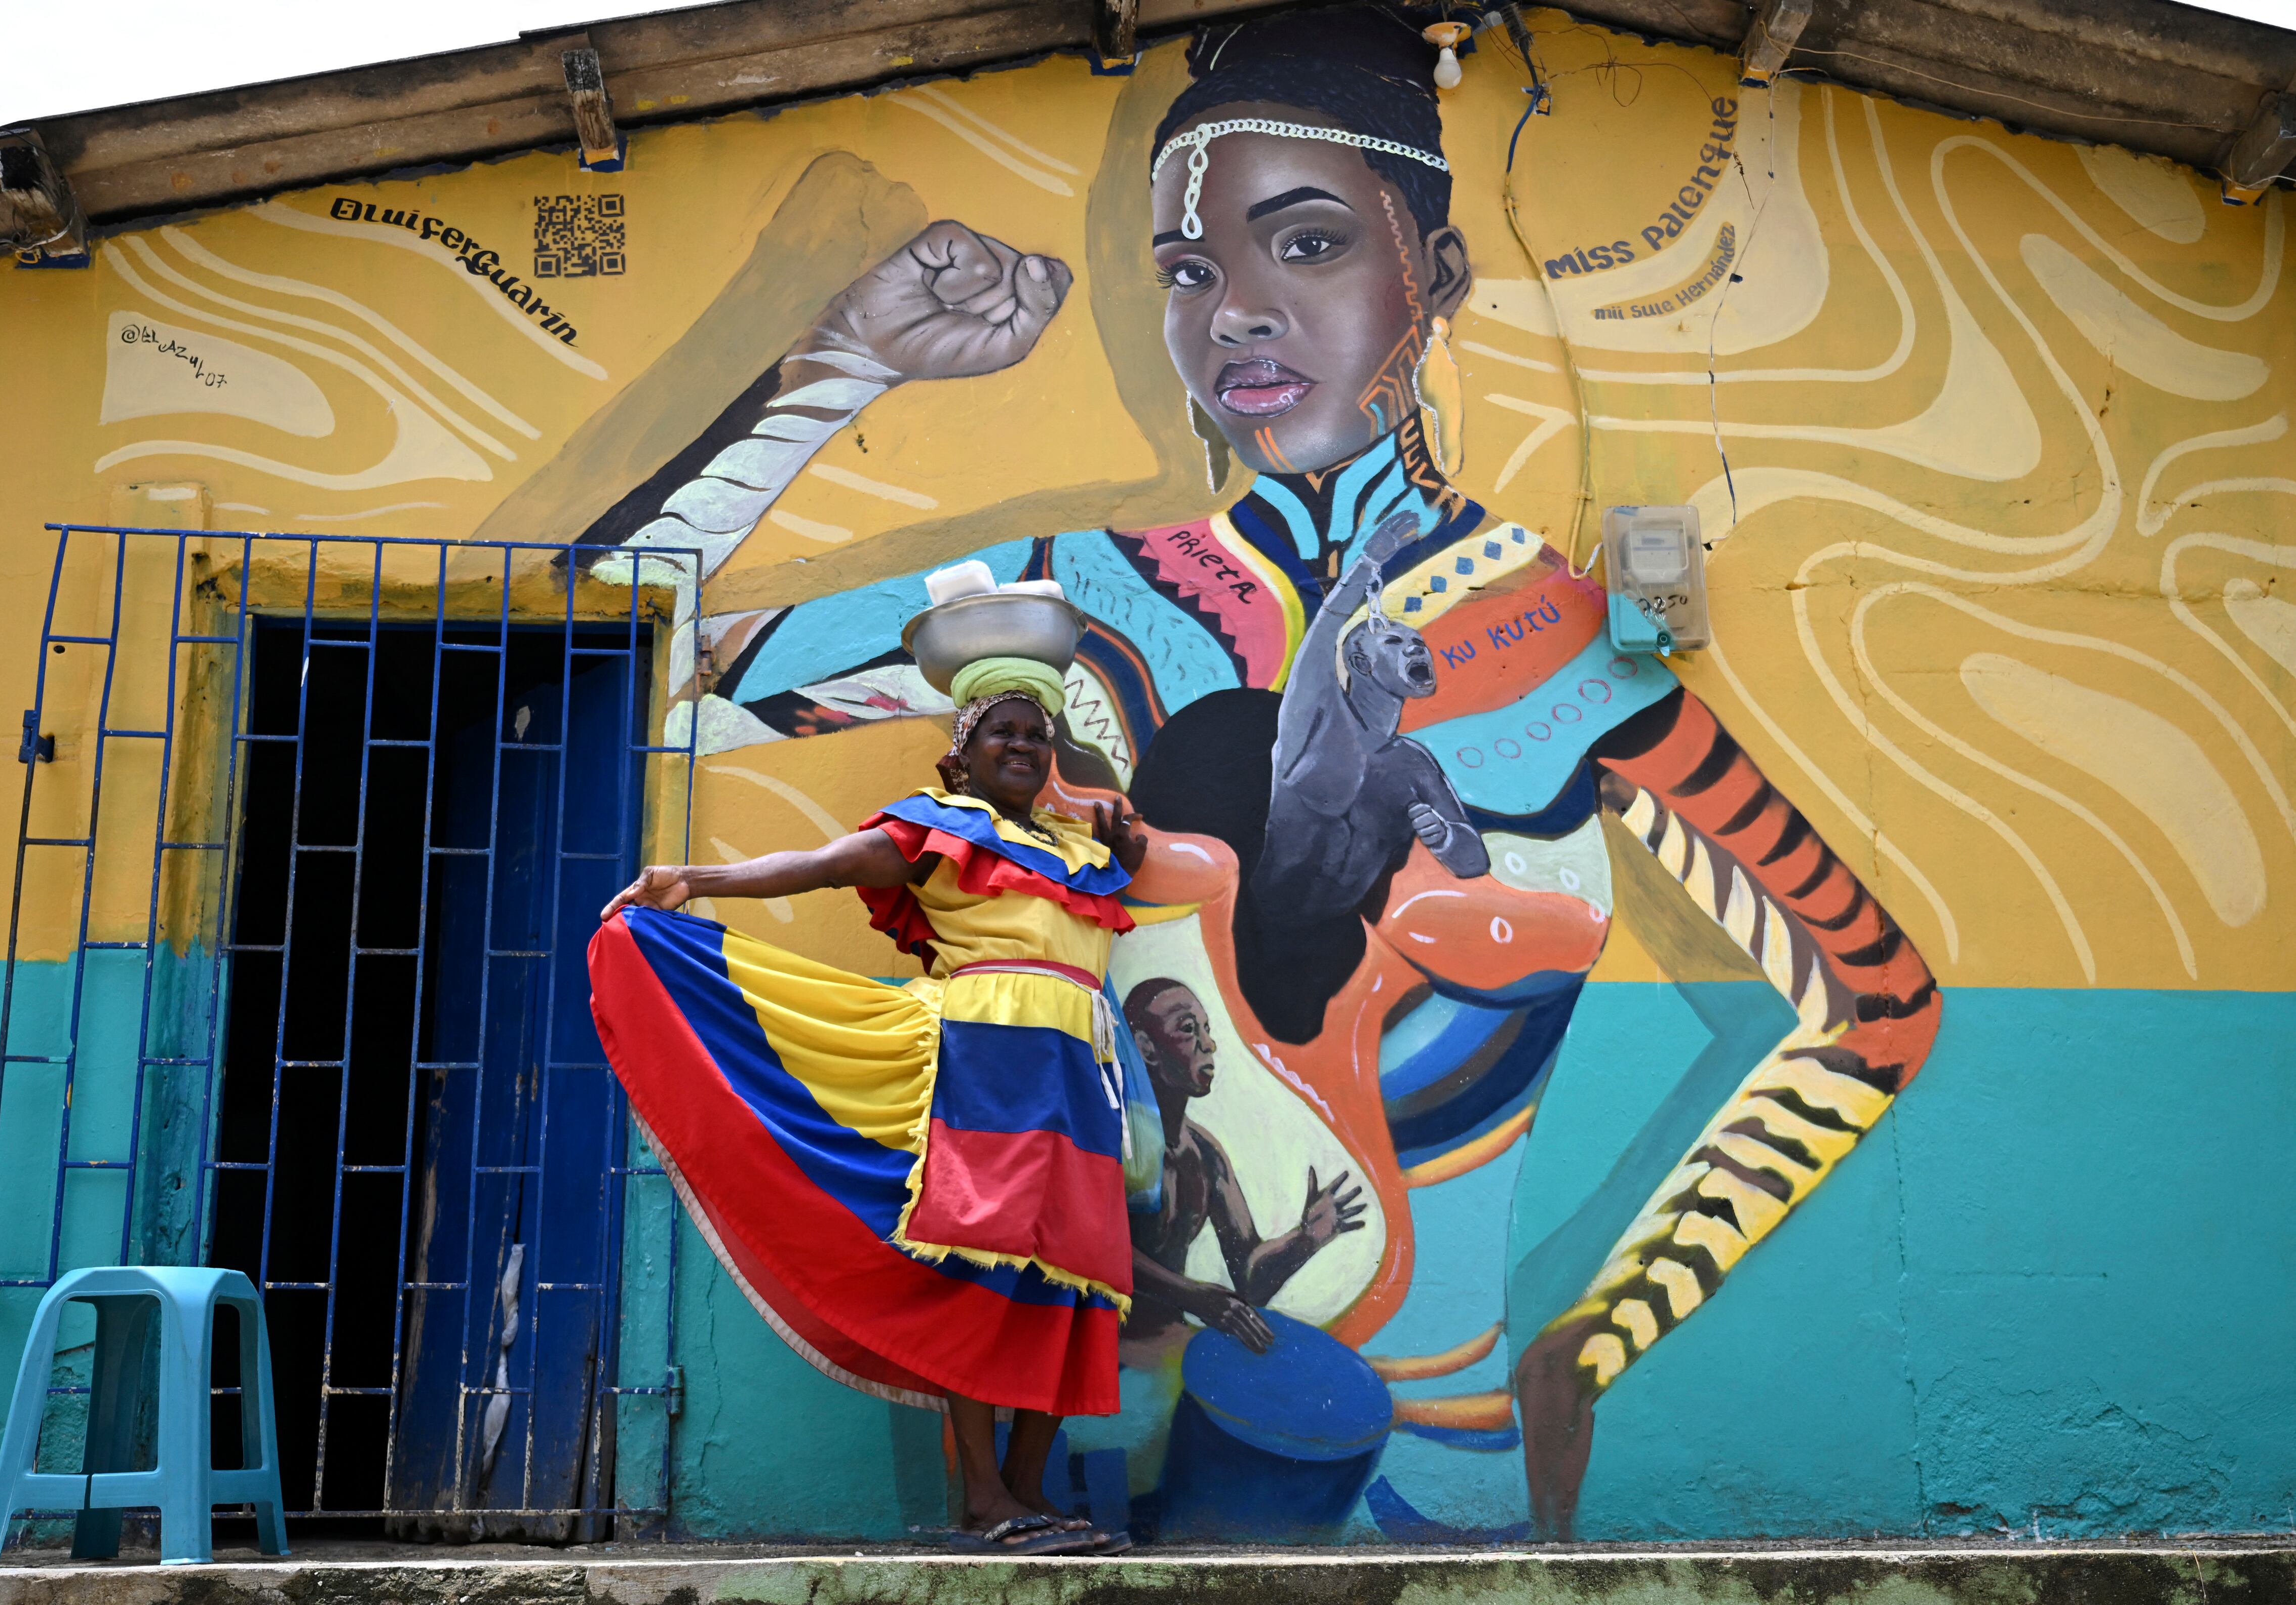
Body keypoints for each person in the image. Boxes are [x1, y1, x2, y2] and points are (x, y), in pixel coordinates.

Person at [585, 4, 1942, 1541]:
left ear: (1425, 277)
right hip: (1107, 1429)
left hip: (1439, 1480)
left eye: (1301, 246)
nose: (1230, 309)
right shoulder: (1070, 606)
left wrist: (1594, 1340)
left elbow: (1873, 1009)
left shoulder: (1563, 635)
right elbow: (658, 646)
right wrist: (843, 367)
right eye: (1187, 270)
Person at [588, 655, 1170, 1554]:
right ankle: (982, 1494)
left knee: (1075, 1278)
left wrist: (1122, 842)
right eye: (1002, 731)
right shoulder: (935, 828)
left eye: (1037, 733)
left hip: (1081, 1086)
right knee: (980, 1267)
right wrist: (695, 879)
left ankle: (1027, 1493)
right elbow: (821, 864)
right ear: (963, 753)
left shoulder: (1084, 854)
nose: (1023, 744)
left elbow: (1133, 881)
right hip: (984, 1069)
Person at [1121, 976, 1366, 1351]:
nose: (1209, 1044)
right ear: (1146, 1048)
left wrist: (1304, 1239)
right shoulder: (1113, 1138)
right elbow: (1095, 1247)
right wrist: (1194, 1297)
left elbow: (1249, 1279)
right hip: (1102, 1354)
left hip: (1169, 1352)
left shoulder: (1204, 1153)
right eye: (1189, 1029)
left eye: (1207, 1029)